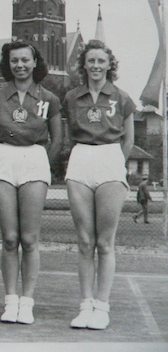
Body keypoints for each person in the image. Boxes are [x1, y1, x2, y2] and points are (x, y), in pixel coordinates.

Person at [0, 41, 62, 324]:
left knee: (29, 239)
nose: (20, 65)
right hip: (5, 159)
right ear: (8, 64)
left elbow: (58, 139)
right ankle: (10, 300)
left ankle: (27, 301)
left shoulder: (49, 98)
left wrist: (41, 163)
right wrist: (0, 157)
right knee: (9, 238)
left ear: (34, 62)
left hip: (35, 159)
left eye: (25, 60)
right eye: (14, 60)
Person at [63, 40, 135, 330]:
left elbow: (128, 140)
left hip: (110, 158)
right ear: (84, 65)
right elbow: (70, 134)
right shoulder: (72, 97)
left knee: (105, 242)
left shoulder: (122, 97)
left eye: (101, 61)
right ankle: (85, 305)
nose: (95, 66)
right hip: (81, 158)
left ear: (109, 65)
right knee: (84, 241)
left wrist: (114, 164)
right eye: (91, 60)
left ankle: (102, 306)